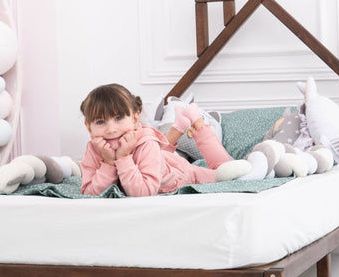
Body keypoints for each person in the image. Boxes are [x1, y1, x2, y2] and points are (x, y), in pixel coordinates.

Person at [80, 84, 250, 197]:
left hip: (181, 172)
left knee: (226, 174)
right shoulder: (95, 148)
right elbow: (89, 193)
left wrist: (123, 158)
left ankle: (198, 122)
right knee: (163, 153)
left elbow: (143, 193)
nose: (111, 129)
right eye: (100, 122)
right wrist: (109, 163)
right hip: (162, 160)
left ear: (135, 118)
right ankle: (180, 126)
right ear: (89, 127)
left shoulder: (146, 142)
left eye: (118, 118)